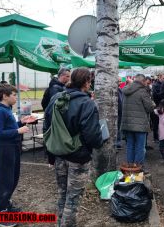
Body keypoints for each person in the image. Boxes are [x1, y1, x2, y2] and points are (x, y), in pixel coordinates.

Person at [43, 68, 103, 227]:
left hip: (59, 154)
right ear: (86, 82)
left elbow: (47, 127)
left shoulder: (56, 98)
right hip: (79, 156)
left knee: (62, 194)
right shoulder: (86, 103)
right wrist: (98, 143)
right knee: (73, 198)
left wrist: (50, 154)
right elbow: (92, 134)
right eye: (90, 81)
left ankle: (59, 223)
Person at [0, 84, 31, 218]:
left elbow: (8, 127)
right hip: (4, 149)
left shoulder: (7, 109)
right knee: (4, 180)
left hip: (12, 147)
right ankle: (0, 213)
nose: (16, 97)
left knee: (12, 178)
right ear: (4, 96)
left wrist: (19, 123)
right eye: (14, 95)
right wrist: (17, 131)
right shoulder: (0, 111)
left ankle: (5, 204)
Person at [121, 74, 155, 165]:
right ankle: (137, 169)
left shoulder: (126, 89)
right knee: (140, 147)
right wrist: (153, 103)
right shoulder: (142, 91)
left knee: (130, 146)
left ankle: (130, 168)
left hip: (127, 124)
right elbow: (150, 108)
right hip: (140, 125)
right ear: (143, 81)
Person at [151, 74, 164, 142]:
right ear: (159, 78)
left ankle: (163, 136)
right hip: (157, 105)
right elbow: (155, 95)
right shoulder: (155, 85)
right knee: (156, 122)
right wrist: (163, 94)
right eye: (163, 78)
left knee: (163, 122)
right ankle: (155, 137)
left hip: (163, 105)